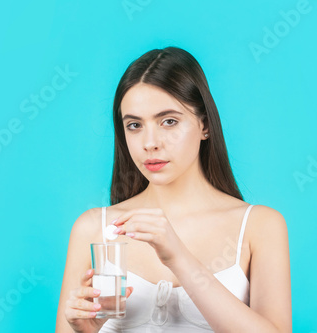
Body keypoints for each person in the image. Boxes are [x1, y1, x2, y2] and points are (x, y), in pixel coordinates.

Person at [55, 46, 292, 333]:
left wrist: (178, 257)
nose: (150, 143)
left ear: (204, 125)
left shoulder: (259, 225)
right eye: (134, 125)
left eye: (169, 121)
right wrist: (86, 330)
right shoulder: (95, 228)